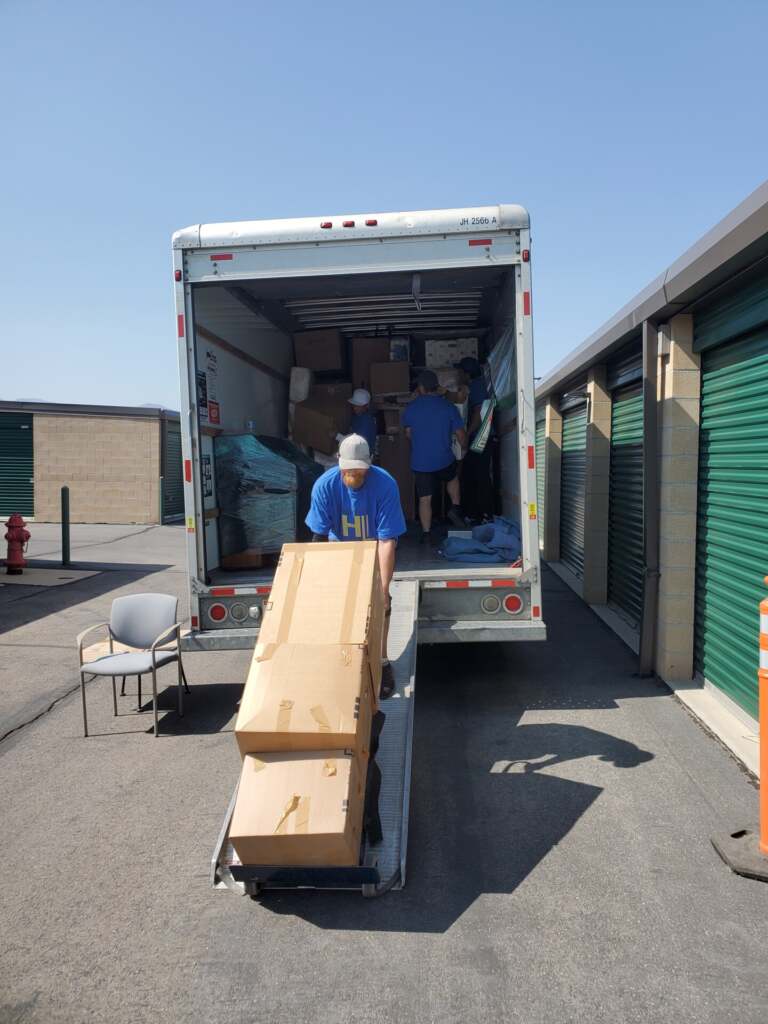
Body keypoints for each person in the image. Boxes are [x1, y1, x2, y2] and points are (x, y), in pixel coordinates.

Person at [305, 433, 406, 699]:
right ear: (339, 463)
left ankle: (382, 663)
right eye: (349, 471)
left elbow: (387, 542)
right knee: (338, 605)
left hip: (373, 547)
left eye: (359, 471)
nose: (354, 476)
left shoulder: (385, 485)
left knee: (381, 604)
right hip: (339, 549)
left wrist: (383, 589)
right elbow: (317, 537)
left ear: (369, 465)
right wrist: (318, 581)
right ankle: (341, 660)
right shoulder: (324, 486)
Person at [402, 369, 468, 541]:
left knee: (425, 498)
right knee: (453, 478)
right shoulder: (448, 407)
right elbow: (461, 435)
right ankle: (455, 507)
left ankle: (426, 532)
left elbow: (408, 434)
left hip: (420, 462)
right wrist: (465, 448)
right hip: (443, 458)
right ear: (435, 387)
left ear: (421, 388)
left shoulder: (410, 409)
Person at [456, 356, 495, 522]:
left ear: (466, 373)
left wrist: (468, 432)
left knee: (477, 475)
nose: (459, 374)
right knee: (474, 475)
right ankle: (477, 513)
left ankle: (482, 514)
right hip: (483, 436)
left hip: (481, 436)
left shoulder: (477, 385)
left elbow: (480, 410)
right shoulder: (478, 385)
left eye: (460, 371)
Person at [347, 388, 378, 455]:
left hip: (364, 456)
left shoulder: (367, 420)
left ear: (366, 406)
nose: (355, 408)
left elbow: (358, 442)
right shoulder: (355, 417)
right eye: (354, 405)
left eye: (358, 406)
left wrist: (337, 436)